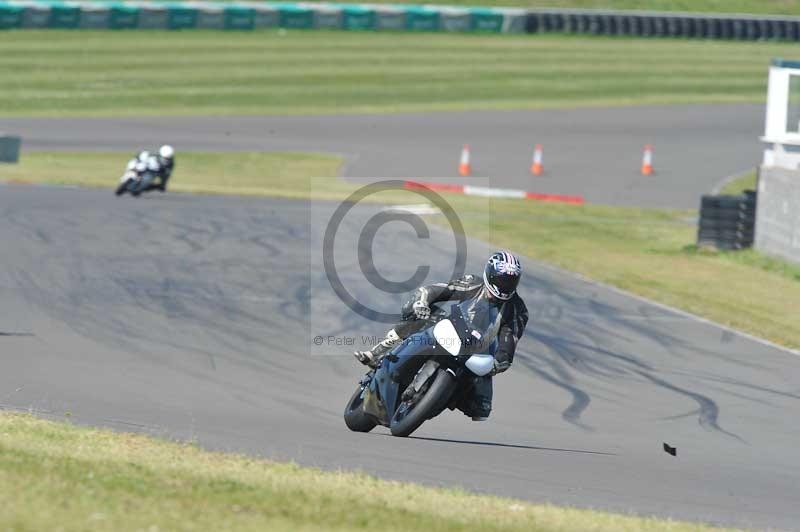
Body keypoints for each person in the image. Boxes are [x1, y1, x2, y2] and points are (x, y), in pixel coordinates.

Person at [354, 251, 528, 421]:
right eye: (502, 280)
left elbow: (509, 341)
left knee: (481, 407)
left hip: (477, 350)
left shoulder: (517, 311)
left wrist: (500, 361)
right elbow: (439, 290)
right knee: (418, 314)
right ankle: (378, 351)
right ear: (490, 275)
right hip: (452, 330)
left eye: (511, 281)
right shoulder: (473, 284)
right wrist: (423, 302)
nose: (505, 285)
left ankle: (438, 399)